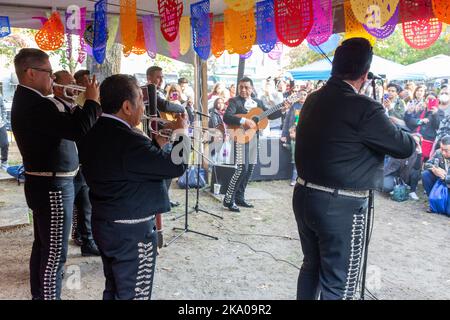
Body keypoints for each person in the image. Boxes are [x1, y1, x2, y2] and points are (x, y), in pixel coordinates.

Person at [293, 38, 415, 300]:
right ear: (365, 75)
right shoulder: (365, 108)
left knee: (311, 267)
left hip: (304, 196)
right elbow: (404, 147)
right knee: (340, 283)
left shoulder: (313, 99)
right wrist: (393, 121)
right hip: (340, 207)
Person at [79, 74, 189, 300]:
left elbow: (125, 166)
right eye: (141, 101)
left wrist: (155, 145)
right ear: (127, 106)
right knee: (134, 294)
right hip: (131, 231)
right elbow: (176, 167)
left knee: (114, 289)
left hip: (106, 223)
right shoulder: (130, 140)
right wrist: (181, 132)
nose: (144, 108)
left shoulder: (94, 129)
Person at [11, 48, 101, 300]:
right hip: (52, 186)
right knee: (54, 254)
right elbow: (78, 130)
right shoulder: (36, 105)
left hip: (48, 183)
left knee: (44, 249)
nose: (52, 78)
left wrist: (72, 101)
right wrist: (92, 100)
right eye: (48, 72)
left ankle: (41, 296)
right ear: (30, 73)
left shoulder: (32, 101)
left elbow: (69, 127)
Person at [222, 76, 289, 212]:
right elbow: (227, 117)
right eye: (241, 87)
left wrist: (283, 109)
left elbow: (268, 115)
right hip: (240, 137)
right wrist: (244, 121)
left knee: (250, 168)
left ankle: (240, 197)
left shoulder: (258, 102)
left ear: (252, 89)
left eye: (246, 87)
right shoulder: (234, 102)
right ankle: (228, 199)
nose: (243, 90)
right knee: (241, 169)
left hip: (254, 138)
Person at [52, 70, 100, 256]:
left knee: (86, 205)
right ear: (57, 86)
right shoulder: (55, 106)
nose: (75, 87)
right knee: (64, 215)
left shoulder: (74, 106)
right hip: (65, 168)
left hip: (82, 164)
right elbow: (78, 130)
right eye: (70, 83)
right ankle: (60, 253)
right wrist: (90, 102)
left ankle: (87, 242)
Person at [383, 134, 422, 200]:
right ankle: (396, 186)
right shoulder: (400, 147)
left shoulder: (416, 153)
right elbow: (393, 166)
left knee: (416, 171)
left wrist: (419, 153)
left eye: (416, 142)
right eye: (412, 140)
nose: (414, 143)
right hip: (394, 174)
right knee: (386, 187)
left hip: (406, 176)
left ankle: (412, 192)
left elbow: (417, 168)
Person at [281, 88, 307, 186]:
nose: (303, 96)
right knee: (295, 157)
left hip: (304, 136)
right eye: (301, 94)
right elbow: (287, 121)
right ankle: (294, 178)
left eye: (305, 94)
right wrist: (284, 134)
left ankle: (296, 178)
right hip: (293, 137)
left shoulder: (309, 106)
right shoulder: (293, 106)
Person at [422, 135, 450, 215]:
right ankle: (433, 203)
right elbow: (426, 164)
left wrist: (445, 177)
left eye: (446, 150)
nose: (443, 152)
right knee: (426, 175)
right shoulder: (438, 152)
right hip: (441, 184)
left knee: (448, 212)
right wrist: (435, 169)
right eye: (442, 149)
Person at [0, 94, 9, 170]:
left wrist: (3, 119)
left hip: (0, 124)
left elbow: (3, 107)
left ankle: (4, 162)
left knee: (5, 143)